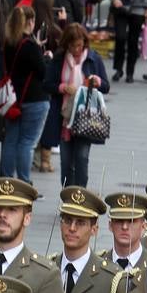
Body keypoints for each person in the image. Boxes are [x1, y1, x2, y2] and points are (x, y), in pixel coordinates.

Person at [44, 23, 110, 188]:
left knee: (81, 158)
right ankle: (67, 199)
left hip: (85, 117)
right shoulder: (59, 59)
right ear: (67, 44)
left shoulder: (93, 59)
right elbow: (46, 84)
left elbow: (106, 86)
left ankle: (81, 197)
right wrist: (63, 87)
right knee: (66, 163)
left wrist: (97, 82)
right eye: (73, 46)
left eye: (80, 45)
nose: (77, 49)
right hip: (64, 118)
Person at [0, 5, 50, 183]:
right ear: (30, 21)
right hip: (34, 99)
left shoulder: (8, 43)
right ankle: (24, 182)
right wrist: (46, 57)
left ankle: (5, 181)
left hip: (12, 100)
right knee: (27, 142)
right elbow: (43, 72)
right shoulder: (29, 45)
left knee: (11, 140)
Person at [32, 0, 64, 173]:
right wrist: (63, 22)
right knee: (49, 119)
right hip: (49, 79)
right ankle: (44, 160)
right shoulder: (53, 29)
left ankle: (36, 157)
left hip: (33, 80)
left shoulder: (32, 26)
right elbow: (62, 49)